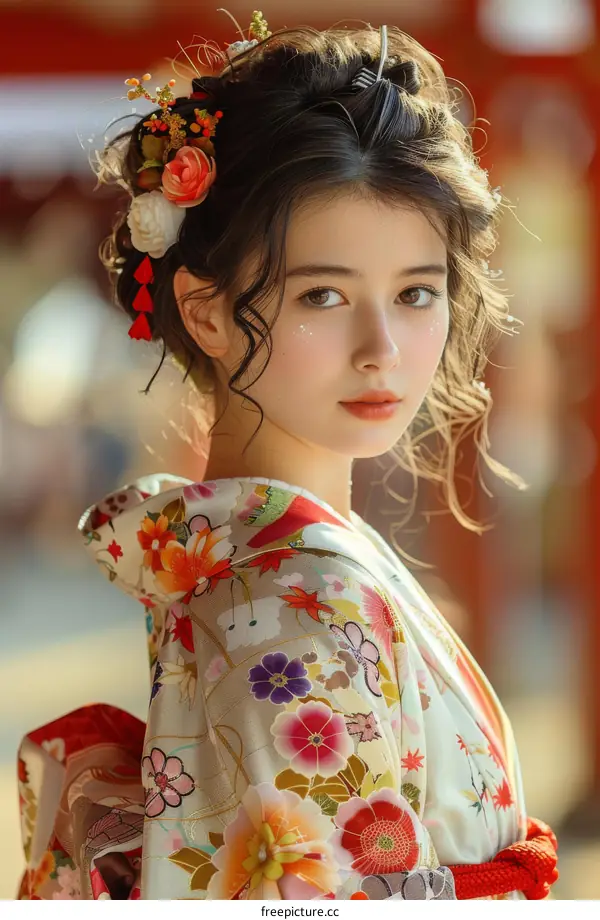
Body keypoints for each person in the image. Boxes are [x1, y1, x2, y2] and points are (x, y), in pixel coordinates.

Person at [15, 12, 559, 901]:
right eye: (322, 295)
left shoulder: (262, 564)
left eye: (418, 292)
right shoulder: (296, 607)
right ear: (207, 312)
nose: (382, 346)